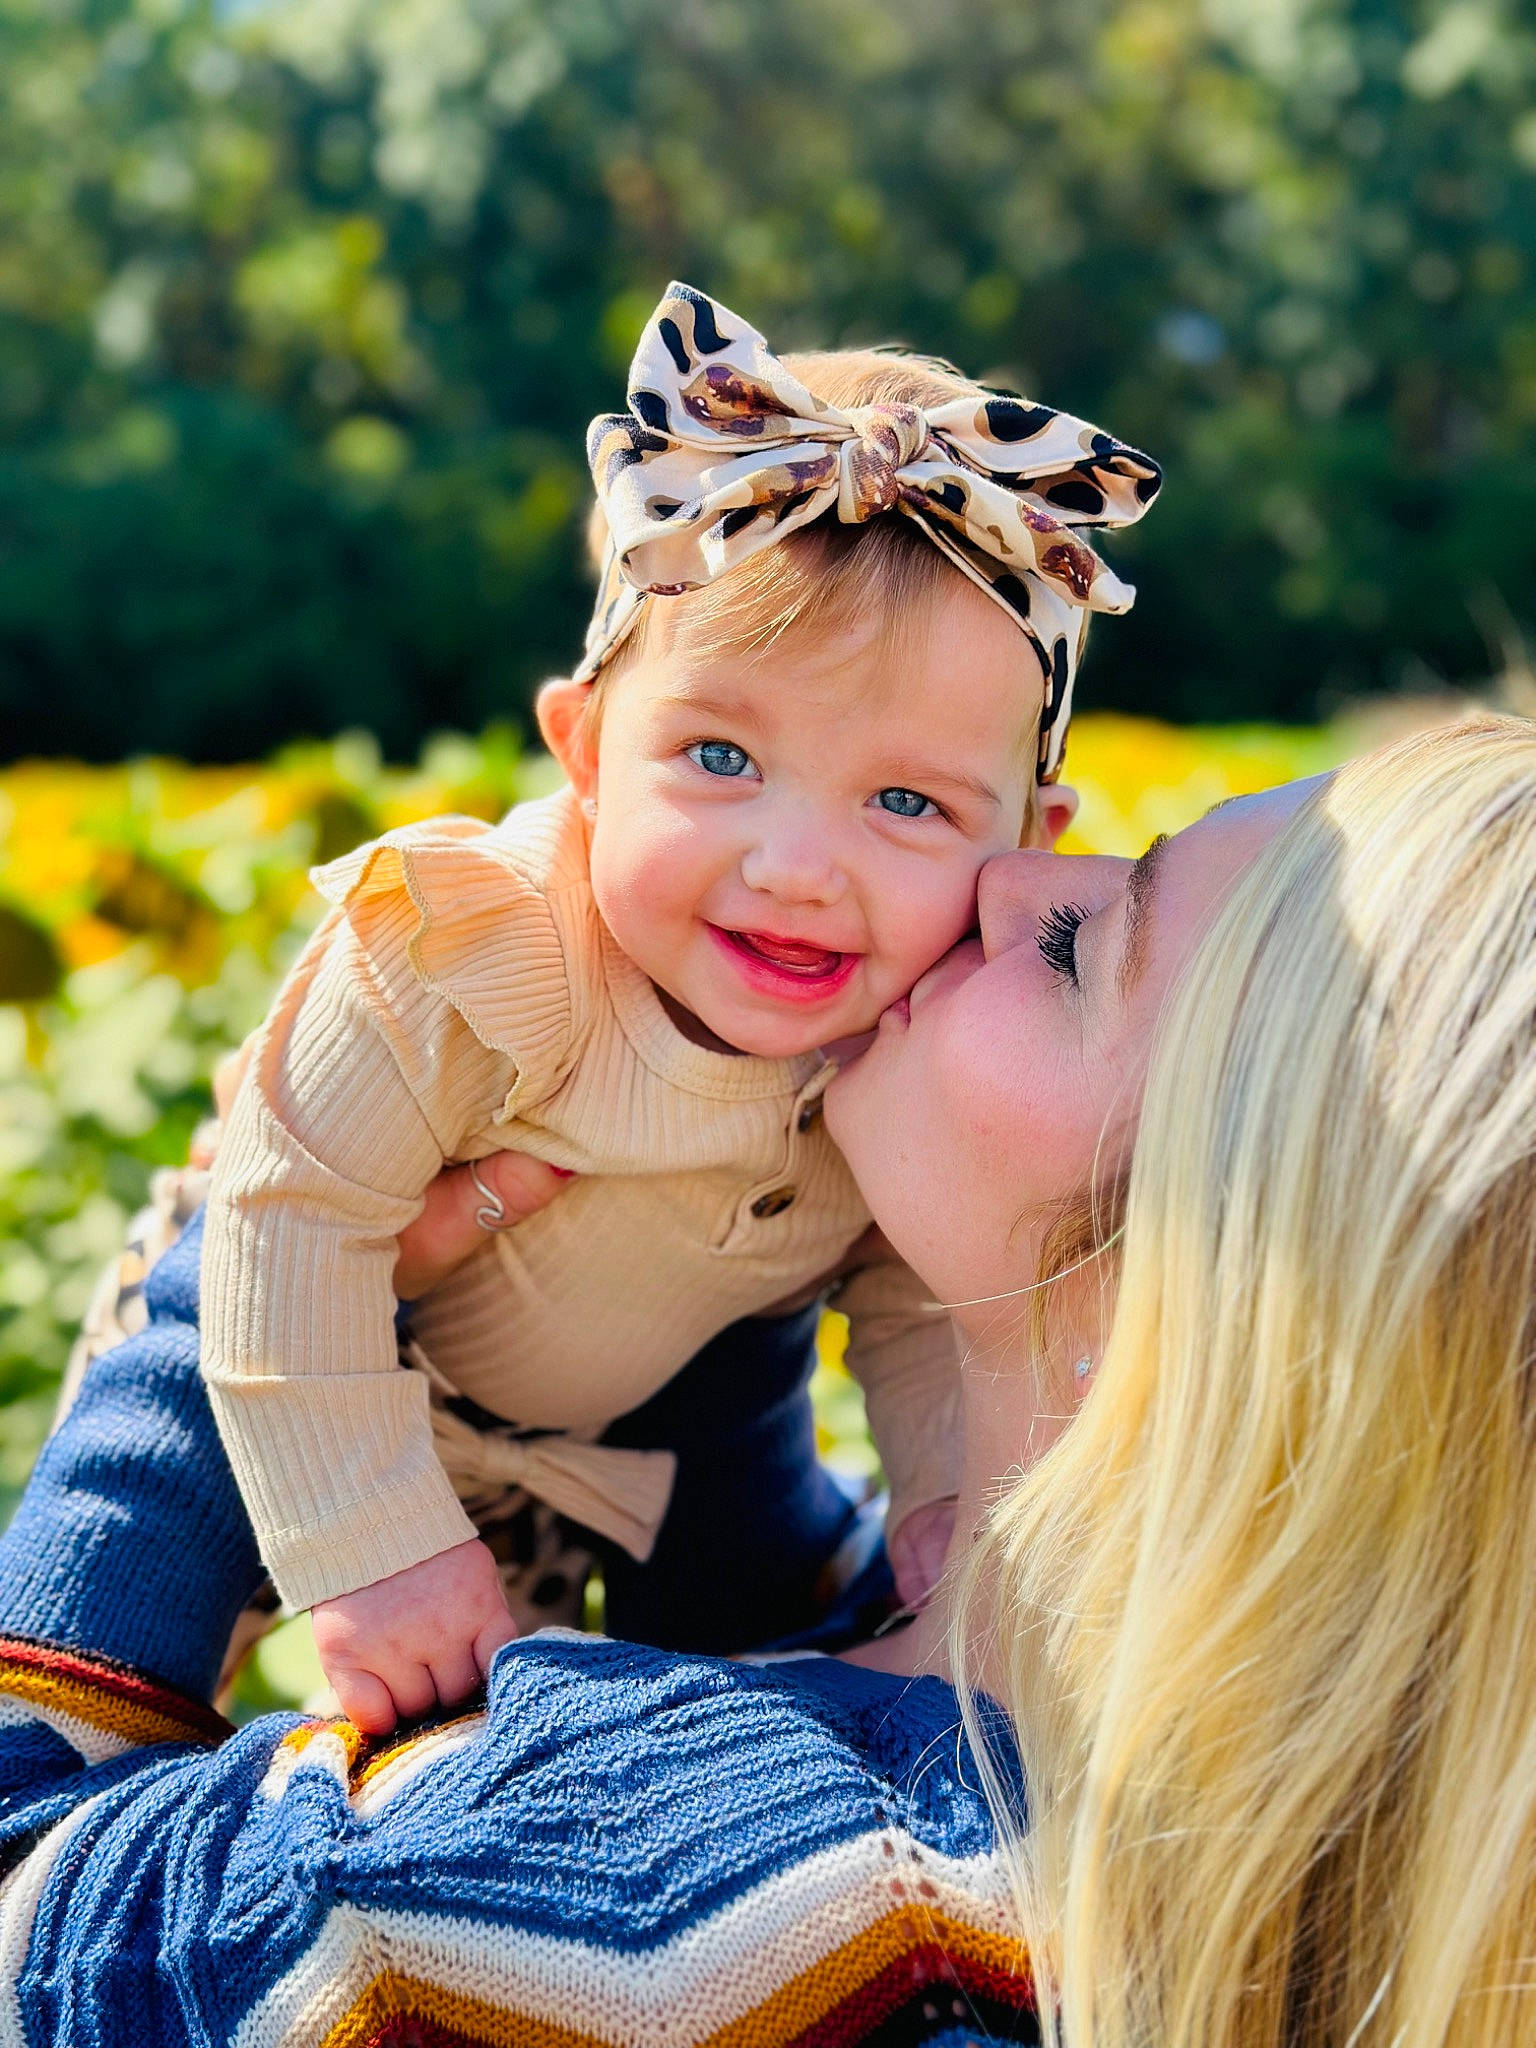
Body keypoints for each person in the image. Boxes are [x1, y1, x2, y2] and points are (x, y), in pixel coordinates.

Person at [1, 715, 1530, 2045]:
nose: (1013, 879)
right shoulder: (1350, 1885)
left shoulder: (623, 1876)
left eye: (1083, 949)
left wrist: (248, 1270)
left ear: (1204, 1297)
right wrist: (712, 1301)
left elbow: (31, 1933)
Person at [194, 279, 1161, 1730]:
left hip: (674, 1399)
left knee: (759, 1647)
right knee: (131, 1533)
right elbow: (288, 1216)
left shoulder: (916, 1037)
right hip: (298, 1330)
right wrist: (372, 1545)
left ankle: (736, 1736)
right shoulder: (477, 945)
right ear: (585, 753)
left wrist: (953, 1499)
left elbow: (916, 1295)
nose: (796, 872)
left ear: (1030, 844)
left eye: (906, 802)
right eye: (720, 760)